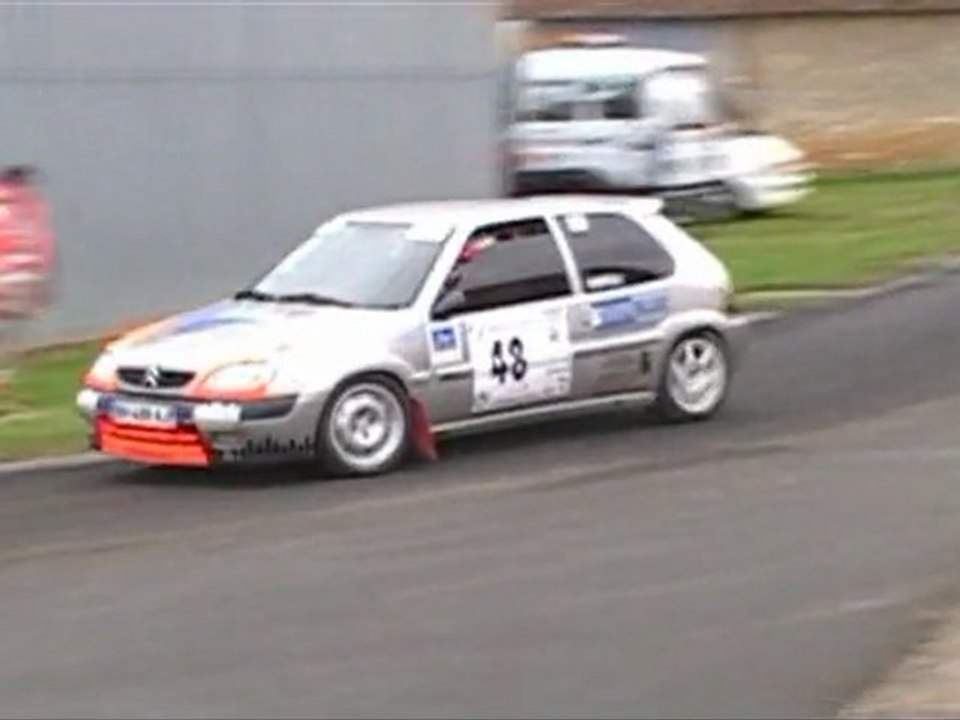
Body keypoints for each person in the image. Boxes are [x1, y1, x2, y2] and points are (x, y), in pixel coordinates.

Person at [0, 165, 55, 389]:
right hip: (28, 278)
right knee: (10, 336)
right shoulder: (33, 207)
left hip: (5, 276)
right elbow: (44, 244)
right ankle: (5, 379)